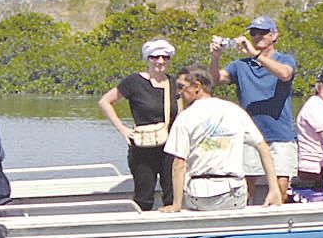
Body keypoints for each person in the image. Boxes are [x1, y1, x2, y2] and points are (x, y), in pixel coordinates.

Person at [161, 66, 282, 212]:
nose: (178, 93)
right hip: (233, 191)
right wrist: (274, 189)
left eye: (181, 87)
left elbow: (179, 164)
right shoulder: (235, 111)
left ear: (197, 87)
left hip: (199, 194)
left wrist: (176, 205)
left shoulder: (185, 117)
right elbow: (263, 148)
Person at [211, 14, 298, 204]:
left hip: (280, 135)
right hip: (250, 137)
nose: (257, 36)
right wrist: (215, 57)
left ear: (274, 35)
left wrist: (256, 55)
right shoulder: (239, 66)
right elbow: (216, 80)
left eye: (263, 33)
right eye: (254, 33)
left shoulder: (285, 59)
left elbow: (285, 74)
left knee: (281, 190)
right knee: (246, 192)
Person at [97, 38, 178, 210]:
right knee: (144, 196)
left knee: (172, 195)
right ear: (147, 59)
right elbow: (105, 101)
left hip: (170, 147)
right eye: (155, 57)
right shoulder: (134, 82)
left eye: (165, 57)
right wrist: (123, 129)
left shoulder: (174, 83)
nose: (160, 61)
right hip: (142, 148)